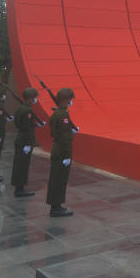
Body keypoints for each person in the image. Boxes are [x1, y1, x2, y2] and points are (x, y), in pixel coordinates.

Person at [47, 88, 78, 217]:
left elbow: (55, 132)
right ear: (65, 100)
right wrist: (66, 155)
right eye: (70, 100)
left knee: (56, 178)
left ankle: (56, 205)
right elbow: (65, 136)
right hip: (62, 150)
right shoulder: (63, 115)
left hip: (57, 148)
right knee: (59, 179)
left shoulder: (57, 113)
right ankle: (56, 207)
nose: (71, 102)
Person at [12, 87, 45, 197]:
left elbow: (20, 124)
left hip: (21, 138)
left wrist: (36, 124)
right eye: (34, 98)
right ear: (30, 99)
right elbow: (26, 127)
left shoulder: (22, 108)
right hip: (24, 140)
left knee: (20, 164)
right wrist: (27, 144)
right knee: (22, 165)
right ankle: (19, 189)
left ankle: (19, 187)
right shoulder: (27, 110)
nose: (35, 100)